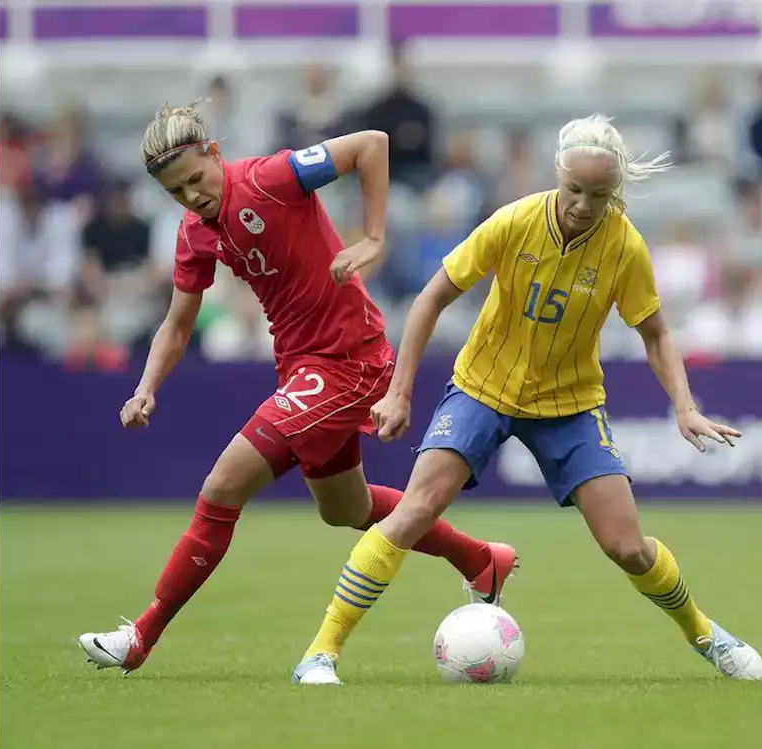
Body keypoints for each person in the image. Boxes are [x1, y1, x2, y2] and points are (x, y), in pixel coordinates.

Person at [290, 114, 762, 686]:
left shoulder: (624, 246)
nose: (584, 205)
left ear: (613, 191)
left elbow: (657, 332)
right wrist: (399, 393)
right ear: (557, 176)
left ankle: (705, 634)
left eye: (599, 194)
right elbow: (429, 299)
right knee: (416, 510)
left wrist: (685, 407)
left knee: (628, 548)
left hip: (569, 404)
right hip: (482, 387)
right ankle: (321, 653)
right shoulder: (514, 221)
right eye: (574, 190)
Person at [78, 103, 517, 674]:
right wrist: (146, 387)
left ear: (215, 155)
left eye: (194, 179)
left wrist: (374, 238)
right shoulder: (194, 233)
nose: (190, 196)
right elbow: (178, 322)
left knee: (222, 487)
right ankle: (482, 559)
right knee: (346, 509)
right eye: (175, 192)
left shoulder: (270, 177)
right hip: (303, 366)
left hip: (347, 359)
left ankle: (140, 637)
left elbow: (372, 144)